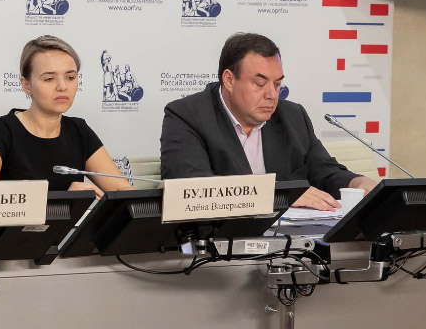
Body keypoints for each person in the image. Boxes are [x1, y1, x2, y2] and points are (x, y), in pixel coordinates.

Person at [160, 32, 376, 210]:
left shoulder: (292, 116)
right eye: (260, 84)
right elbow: (191, 189)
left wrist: (355, 182)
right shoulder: (187, 116)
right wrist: (280, 195)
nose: (272, 95)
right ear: (229, 80)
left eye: (277, 84)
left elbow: (325, 172)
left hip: (293, 239)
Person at [0, 36, 131, 194]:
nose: (62, 86)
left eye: (70, 77)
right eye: (49, 79)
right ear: (26, 85)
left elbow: (121, 189)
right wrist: (66, 199)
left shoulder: (78, 130)